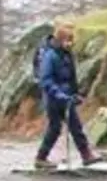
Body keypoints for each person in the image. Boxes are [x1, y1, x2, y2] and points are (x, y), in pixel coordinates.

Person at [34, 23, 100, 171]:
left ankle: (86, 155)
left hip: (66, 97)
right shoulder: (50, 56)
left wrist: (75, 94)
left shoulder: (66, 54)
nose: (70, 44)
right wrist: (61, 95)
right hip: (53, 98)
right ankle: (41, 157)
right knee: (55, 128)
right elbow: (46, 80)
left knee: (75, 127)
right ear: (60, 39)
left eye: (71, 41)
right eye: (68, 40)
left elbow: (71, 78)